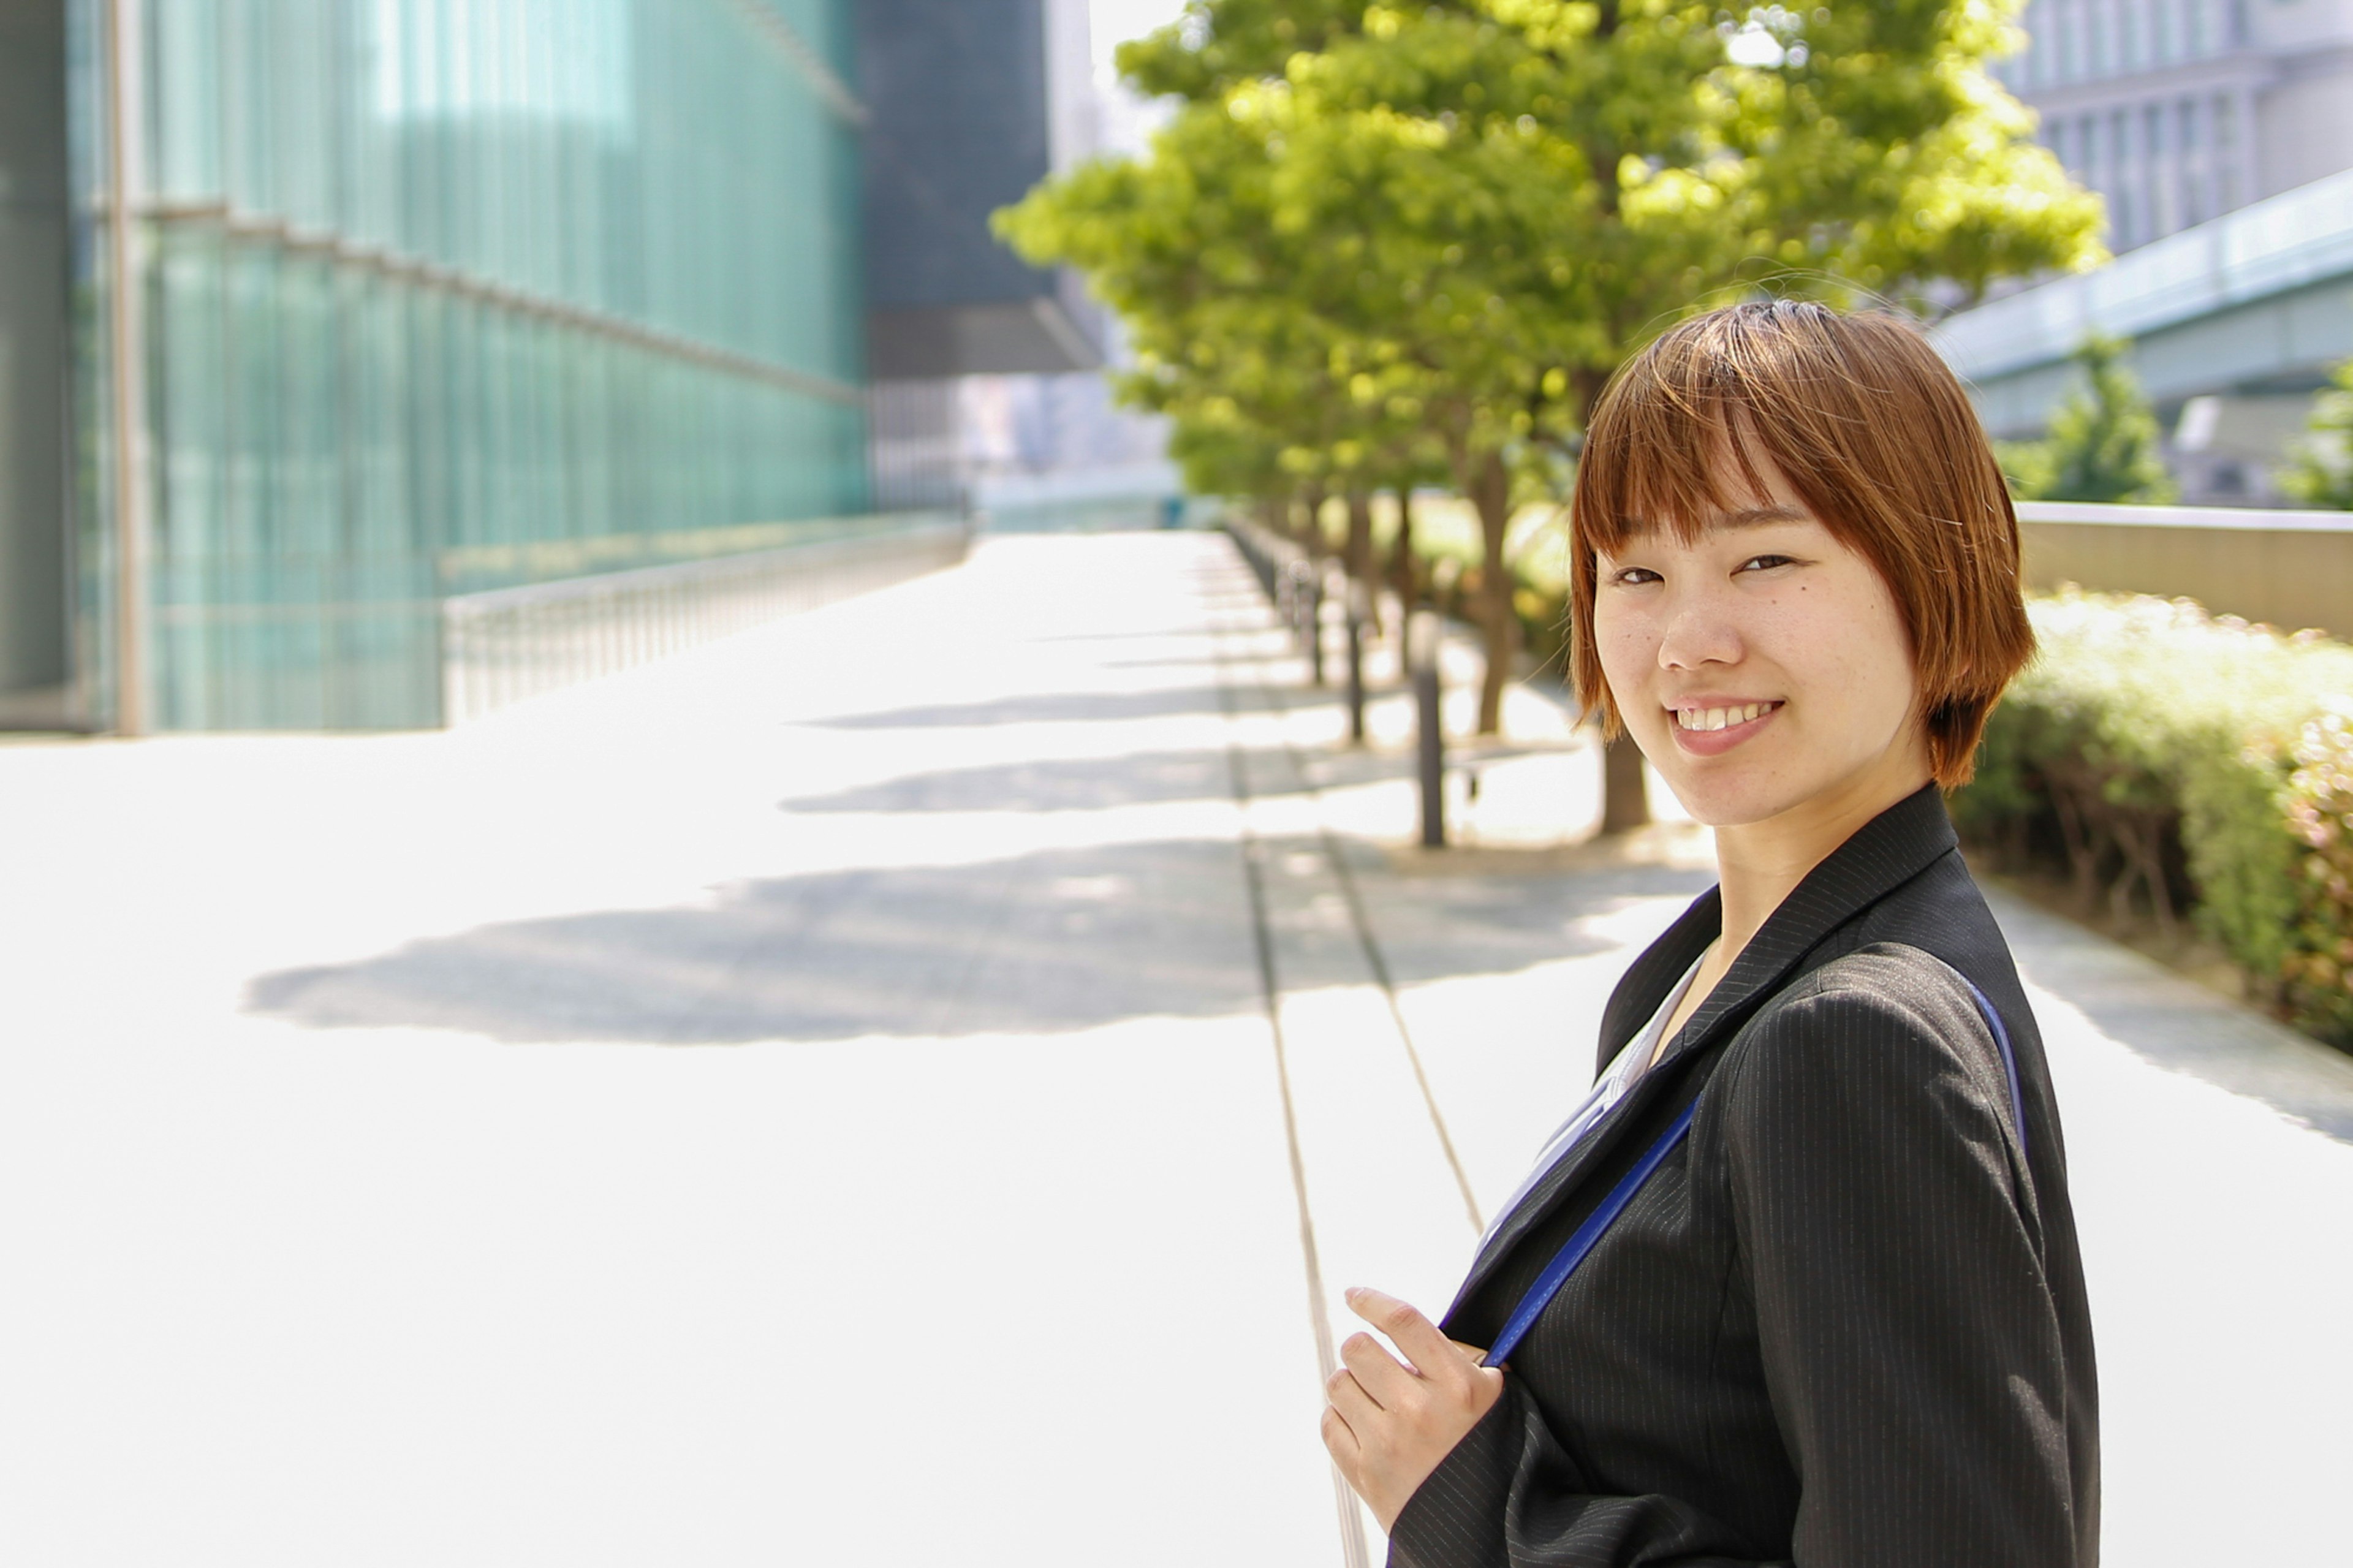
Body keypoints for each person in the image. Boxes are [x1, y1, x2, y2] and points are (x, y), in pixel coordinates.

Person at [1317, 300, 2099, 1567]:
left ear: (1931, 572)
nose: (1689, 642)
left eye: (1767, 561)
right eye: (1636, 572)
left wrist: (1479, 1505)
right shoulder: (1712, 967)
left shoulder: (1853, 1040)